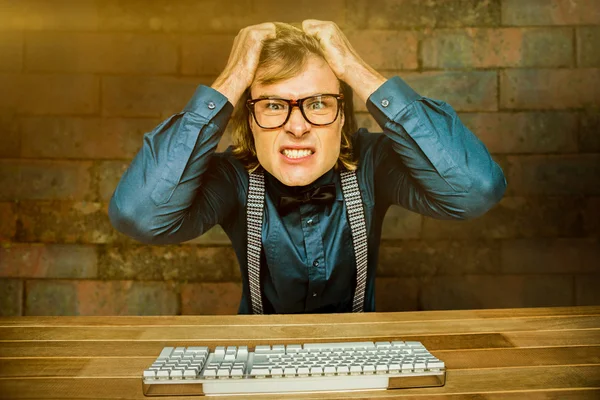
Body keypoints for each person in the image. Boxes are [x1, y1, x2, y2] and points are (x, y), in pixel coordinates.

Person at [109, 21, 506, 315]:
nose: (297, 126)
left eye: (317, 104)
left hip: (360, 370)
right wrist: (234, 77)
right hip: (257, 373)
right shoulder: (232, 178)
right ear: (248, 119)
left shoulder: (374, 162)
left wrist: (353, 66)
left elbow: (475, 189)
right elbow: (140, 214)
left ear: (341, 117)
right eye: (273, 105)